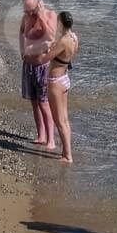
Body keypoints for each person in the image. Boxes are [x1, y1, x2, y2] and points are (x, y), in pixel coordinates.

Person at [20, 0, 57, 149]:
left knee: (44, 103)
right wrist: (22, 50)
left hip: (42, 65)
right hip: (29, 64)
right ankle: (40, 135)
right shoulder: (27, 18)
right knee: (34, 102)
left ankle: (51, 139)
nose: (29, 14)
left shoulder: (50, 15)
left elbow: (50, 35)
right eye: (26, 11)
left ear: (39, 5)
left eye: (31, 11)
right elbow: (23, 33)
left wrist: (41, 16)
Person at [44, 11, 79, 163]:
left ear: (61, 23)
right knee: (64, 119)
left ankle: (67, 155)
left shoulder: (64, 40)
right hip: (64, 78)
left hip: (56, 81)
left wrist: (47, 49)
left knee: (59, 120)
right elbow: (65, 54)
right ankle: (66, 151)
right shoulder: (74, 38)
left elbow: (46, 58)